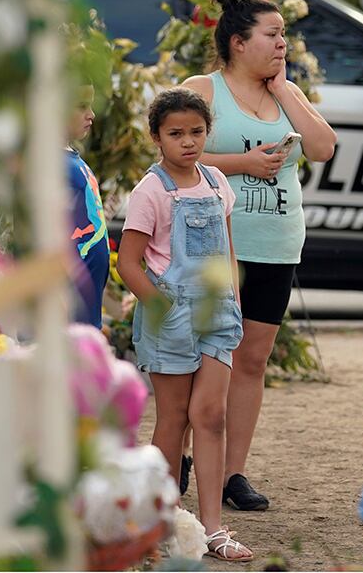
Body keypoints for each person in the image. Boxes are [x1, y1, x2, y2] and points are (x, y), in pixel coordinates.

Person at [183, 0, 336, 512]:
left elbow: (323, 147)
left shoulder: (284, 95)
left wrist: (288, 92)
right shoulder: (204, 88)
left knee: (252, 359)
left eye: (284, 35)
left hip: (275, 241)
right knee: (202, 354)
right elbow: (176, 157)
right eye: (272, 35)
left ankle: (233, 474)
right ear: (238, 43)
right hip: (212, 242)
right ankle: (183, 456)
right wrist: (243, 164)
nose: (282, 44)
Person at [116, 87, 252, 562]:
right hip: (170, 318)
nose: (188, 142)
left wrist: (233, 296)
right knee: (173, 420)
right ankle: (168, 524)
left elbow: (227, 244)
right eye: (176, 133)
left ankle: (213, 528)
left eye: (196, 132)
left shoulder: (217, 183)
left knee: (210, 417)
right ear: (157, 137)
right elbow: (129, 263)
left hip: (217, 316)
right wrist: (163, 307)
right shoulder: (150, 191)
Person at [67, 87, 109, 328]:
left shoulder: (72, 159)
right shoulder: (48, 164)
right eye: (82, 105)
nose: (91, 114)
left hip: (85, 311)